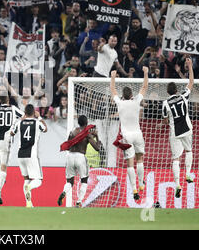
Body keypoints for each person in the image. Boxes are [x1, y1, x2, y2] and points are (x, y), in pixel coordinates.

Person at [110, 66, 149, 201]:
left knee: (130, 164)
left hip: (126, 136)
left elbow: (113, 90)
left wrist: (113, 77)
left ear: (123, 95)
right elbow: (144, 87)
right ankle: (141, 183)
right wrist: (145, 73)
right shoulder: (136, 101)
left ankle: (134, 188)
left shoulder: (119, 103)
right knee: (140, 160)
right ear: (131, 95)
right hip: (137, 134)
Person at [162, 58, 195, 199]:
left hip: (174, 132)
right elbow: (191, 82)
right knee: (188, 151)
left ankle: (177, 185)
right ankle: (188, 173)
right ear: (176, 90)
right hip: (187, 129)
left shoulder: (165, 103)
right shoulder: (183, 96)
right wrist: (190, 66)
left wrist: (165, 122)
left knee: (175, 159)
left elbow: (164, 120)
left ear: (168, 93)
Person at [0, 95, 24, 204]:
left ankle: (2, 178)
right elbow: (24, 117)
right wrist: (15, 125)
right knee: (4, 166)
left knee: (2, 157)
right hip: (6, 140)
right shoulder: (13, 109)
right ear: (8, 100)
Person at [58, 115, 102, 207]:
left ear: (78, 122)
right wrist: (97, 137)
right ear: (86, 123)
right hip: (80, 157)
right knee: (84, 180)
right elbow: (97, 148)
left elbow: (68, 145)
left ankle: (64, 191)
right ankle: (79, 202)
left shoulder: (72, 132)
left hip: (70, 156)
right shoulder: (87, 134)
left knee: (69, 181)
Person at [10, 104, 48, 208]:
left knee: (26, 179)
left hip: (20, 155)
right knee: (38, 181)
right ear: (33, 113)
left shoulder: (19, 123)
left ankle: (29, 203)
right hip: (31, 155)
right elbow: (45, 129)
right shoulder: (37, 123)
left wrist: (21, 119)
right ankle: (29, 187)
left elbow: (12, 133)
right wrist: (39, 117)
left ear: (25, 113)